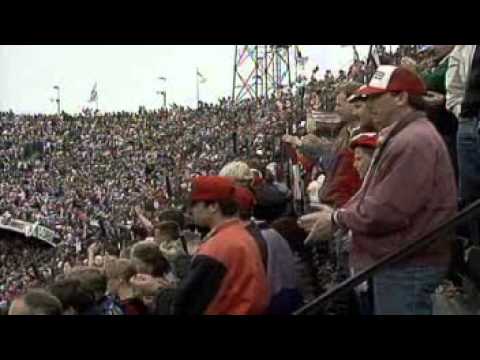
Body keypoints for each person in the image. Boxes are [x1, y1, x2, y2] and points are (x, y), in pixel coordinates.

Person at [300, 65, 457, 315]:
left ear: (401, 97)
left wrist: (336, 218)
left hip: (408, 264)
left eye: (376, 97)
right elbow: (373, 195)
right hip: (401, 261)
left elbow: (387, 209)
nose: (369, 104)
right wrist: (338, 214)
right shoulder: (405, 135)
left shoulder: (413, 140)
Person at [131, 176, 269, 315]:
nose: (191, 210)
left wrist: (157, 290)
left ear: (213, 206)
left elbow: (186, 306)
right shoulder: (241, 234)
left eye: (195, 204)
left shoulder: (217, 248)